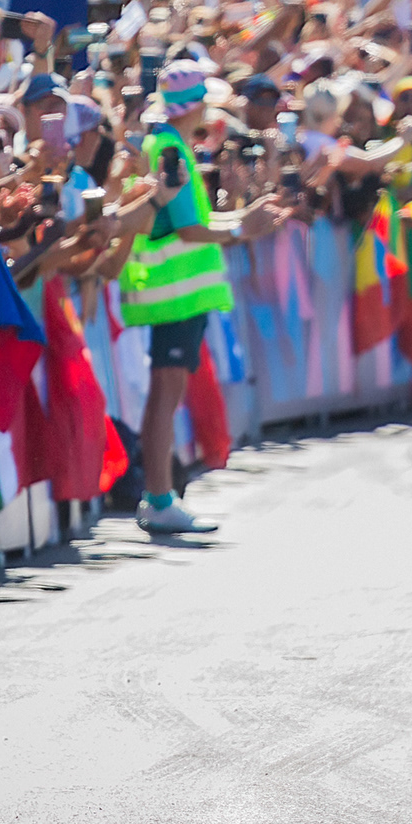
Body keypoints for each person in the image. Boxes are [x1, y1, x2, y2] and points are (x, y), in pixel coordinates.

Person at [120, 61, 281, 534]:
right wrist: (244, 226)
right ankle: (159, 498)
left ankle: (159, 497)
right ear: (197, 105)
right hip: (176, 295)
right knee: (166, 396)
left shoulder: (165, 143)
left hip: (174, 295)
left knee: (163, 396)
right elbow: (191, 228)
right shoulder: (171, 147)